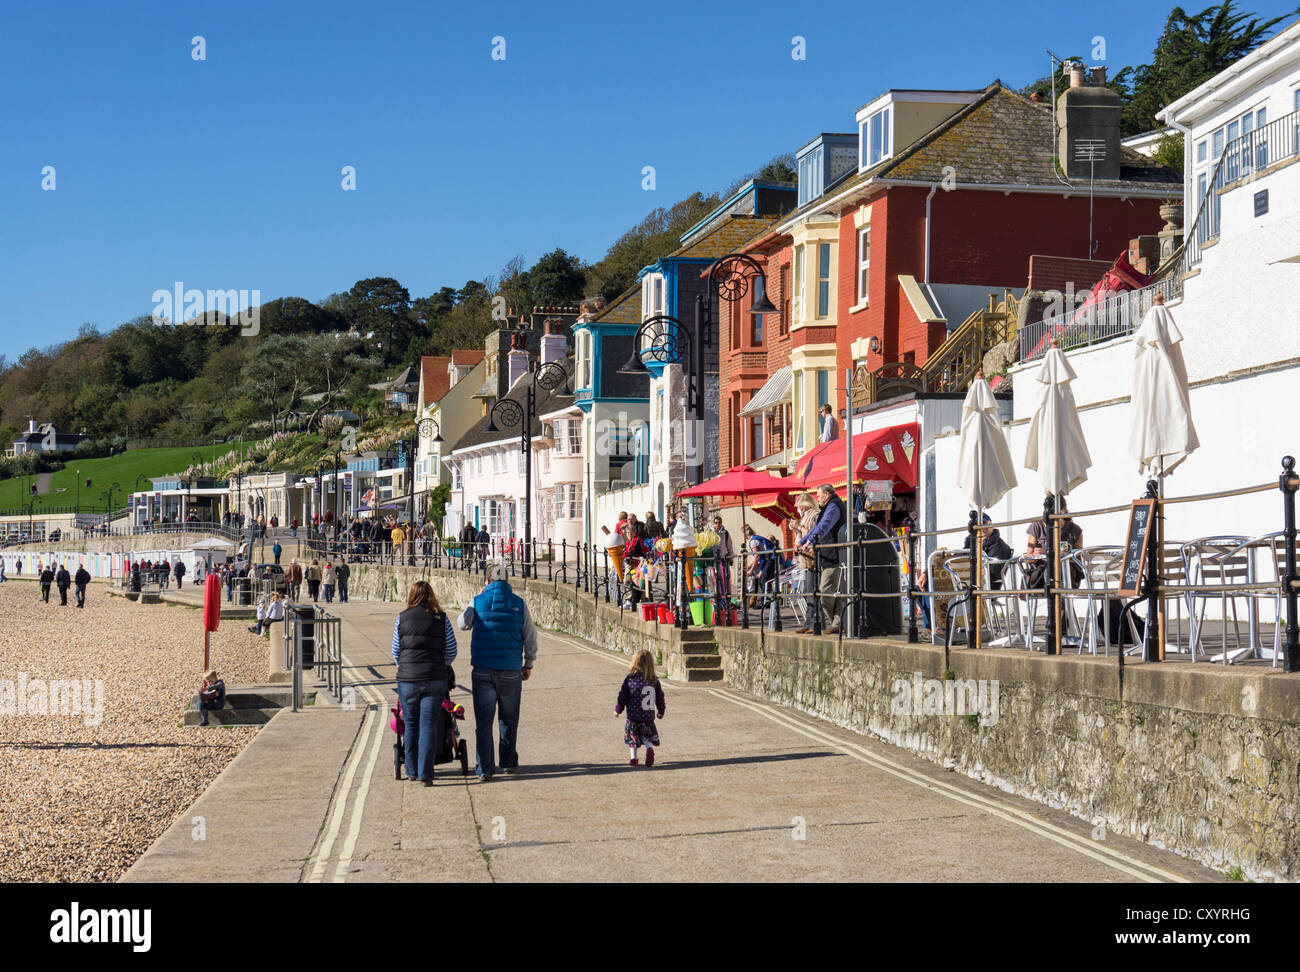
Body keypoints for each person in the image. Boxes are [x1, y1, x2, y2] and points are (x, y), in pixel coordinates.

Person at [457, 561, 538, 781]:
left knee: (484, 722)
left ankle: (484, 769)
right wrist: (528, 664)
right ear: (507, 580)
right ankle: (509, 763)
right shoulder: (519, 604)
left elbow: (462, 624)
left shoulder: (477, 601)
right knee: (509, 719)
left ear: (487, 580)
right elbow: (530, 637)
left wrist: (476, 598)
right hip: (511, 670)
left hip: (482, 670)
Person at [393, 580, 458, 784]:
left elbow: (396, 651)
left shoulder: (401, 618)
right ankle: (426, 774)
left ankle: (411, 771)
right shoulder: (442, 619)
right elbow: (452, 651)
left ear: (412, 596)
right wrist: (441, 663)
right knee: (428, 725)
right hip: (434, 678)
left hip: (408, 679)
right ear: (431, 595)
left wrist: (405, 665)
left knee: (411, 725)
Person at [800, 484, 846, 633]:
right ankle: (838, 624)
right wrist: (802, 541)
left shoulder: (833, 507)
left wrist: (810, 541)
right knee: (834, 593)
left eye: (818, 495)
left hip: (835, 555)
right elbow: (816, 528)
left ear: (826, 494)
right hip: (828, 555)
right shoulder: (828, 507)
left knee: (825, 592)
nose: (817, 498)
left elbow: (824, 526)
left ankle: (836, 623)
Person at [614, 648, 666, 767]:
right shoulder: (654, 681)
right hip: (647, 716)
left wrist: (618, 709)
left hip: (633, 716)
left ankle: (633, 758)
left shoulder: (630, 680)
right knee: (645, 735)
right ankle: (648, 747)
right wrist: (661, 711)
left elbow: (623, 696)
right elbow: (660, 697)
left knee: (632, 738)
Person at [793, 491, 821, 633]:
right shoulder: (805, 517)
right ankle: (809, 621)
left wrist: (798, 527)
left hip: (812, 557)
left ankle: (816, 622)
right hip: (806, 557)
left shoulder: (814, 515)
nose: (800, 509)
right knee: (807, 590)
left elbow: (812, 533)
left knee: (812, 590)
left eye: (802, 507)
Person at [964, 513, 1013, 589]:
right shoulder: (970, 543)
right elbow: (957, 561)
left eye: (985, 525)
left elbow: (995, 573)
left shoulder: (1000, 546)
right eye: (978, 526)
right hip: (966, 584)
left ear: (992, 525)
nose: (982, 529)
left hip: (985, 587)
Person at [711, 514, 734, 600]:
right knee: (716, 578)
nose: (717, 525)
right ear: (713, 523)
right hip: (713, 560)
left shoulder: (725, 533)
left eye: (719, 523)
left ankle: (726, 597)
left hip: (723, 559)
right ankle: (717, 597)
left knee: (725, 578)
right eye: (716, 523)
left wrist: (731, 557)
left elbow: (729, 546)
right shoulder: (710, 532)